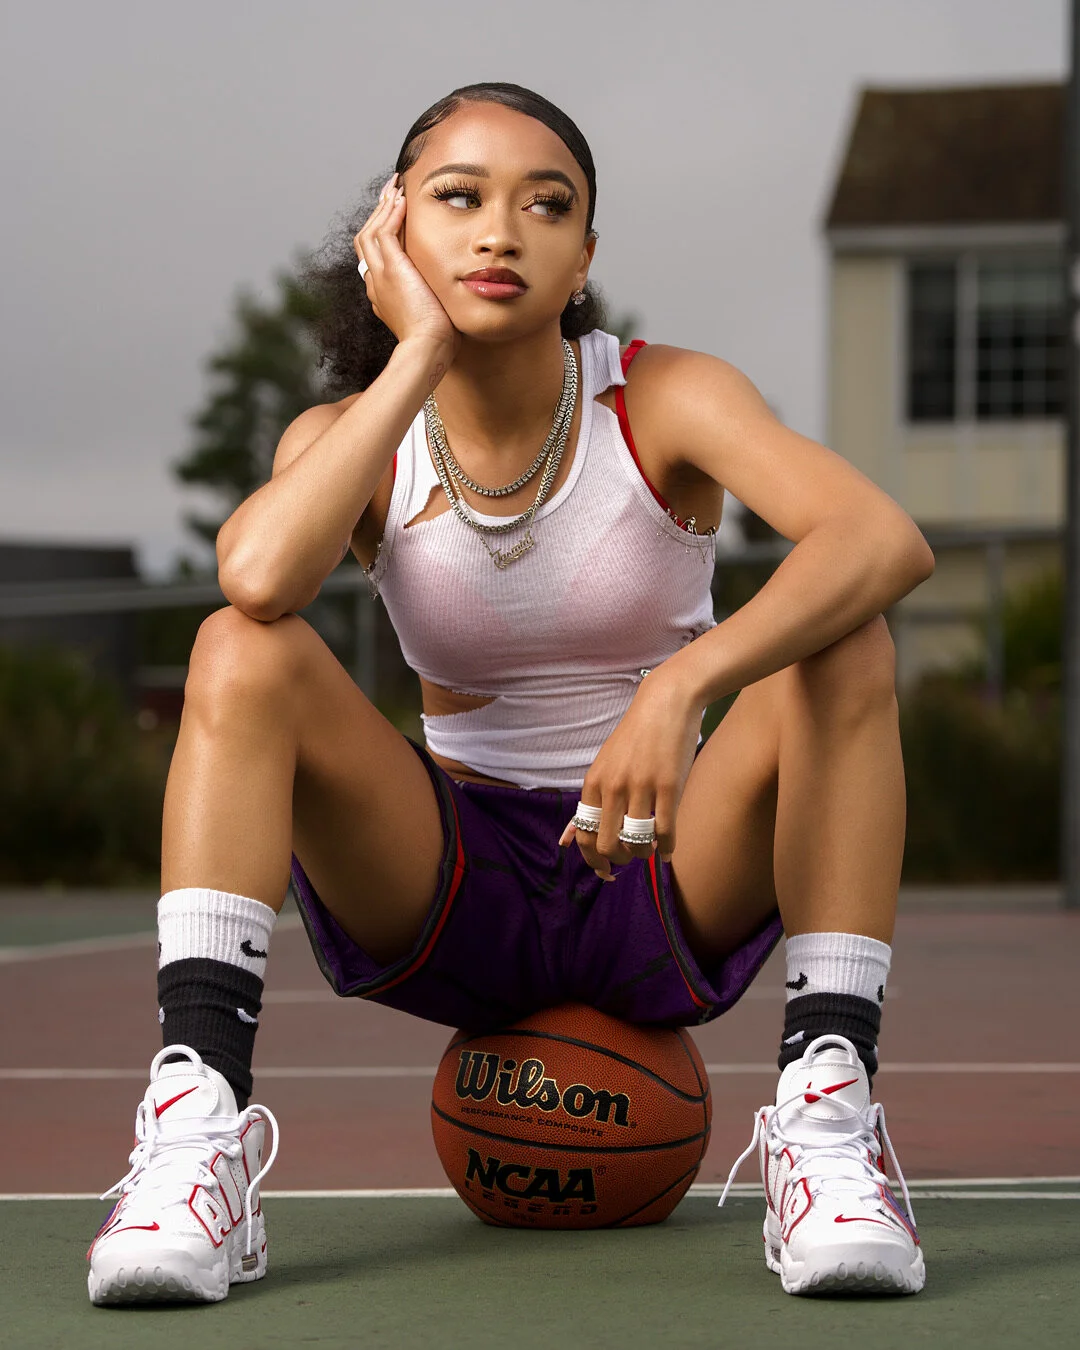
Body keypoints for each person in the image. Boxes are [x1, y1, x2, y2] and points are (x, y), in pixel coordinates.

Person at [86, 82, 934, 1306]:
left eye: (547, 205)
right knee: (239, 645)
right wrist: (417, 352)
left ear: (584, 254)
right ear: (394, 231)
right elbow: (258, 574)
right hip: (456, 886)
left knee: (846, 643)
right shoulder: (352, 434)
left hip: (659, 862)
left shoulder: (664, 395)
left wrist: (687, 681)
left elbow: (882, 539)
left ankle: (829, 1122)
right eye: (459, 199)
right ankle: (190, 1139)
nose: (501, 233)